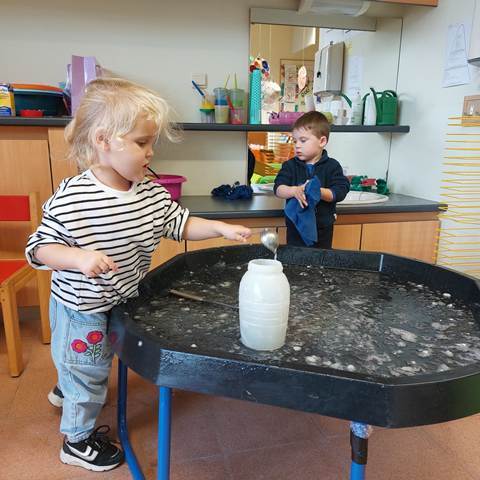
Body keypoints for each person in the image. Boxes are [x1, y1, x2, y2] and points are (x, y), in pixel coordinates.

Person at [25, 77, 251, 472]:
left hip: (120, 298)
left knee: (87, 363)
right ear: (103, 140)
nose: (150, 152)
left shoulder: (150, 192)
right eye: (141, 142)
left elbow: (180, 223)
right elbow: (38, 248)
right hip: (82, 308)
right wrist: (77, 258)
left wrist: (218, 228)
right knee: (89, 372)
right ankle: (76, 441)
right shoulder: (74, 197)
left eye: (152, 143)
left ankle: (69, 381)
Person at [274, 111, 349, 249]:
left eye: (303, 140)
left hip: (323, 230)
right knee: (296, 259)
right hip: (295, 228)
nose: (297, 145)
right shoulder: (290, 166)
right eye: (295, 141)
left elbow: (340, 191)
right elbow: (278, 188)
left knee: (321, 260)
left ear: (322, 141)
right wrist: (294, 191)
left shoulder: (332, 166)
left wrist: (318, 192)